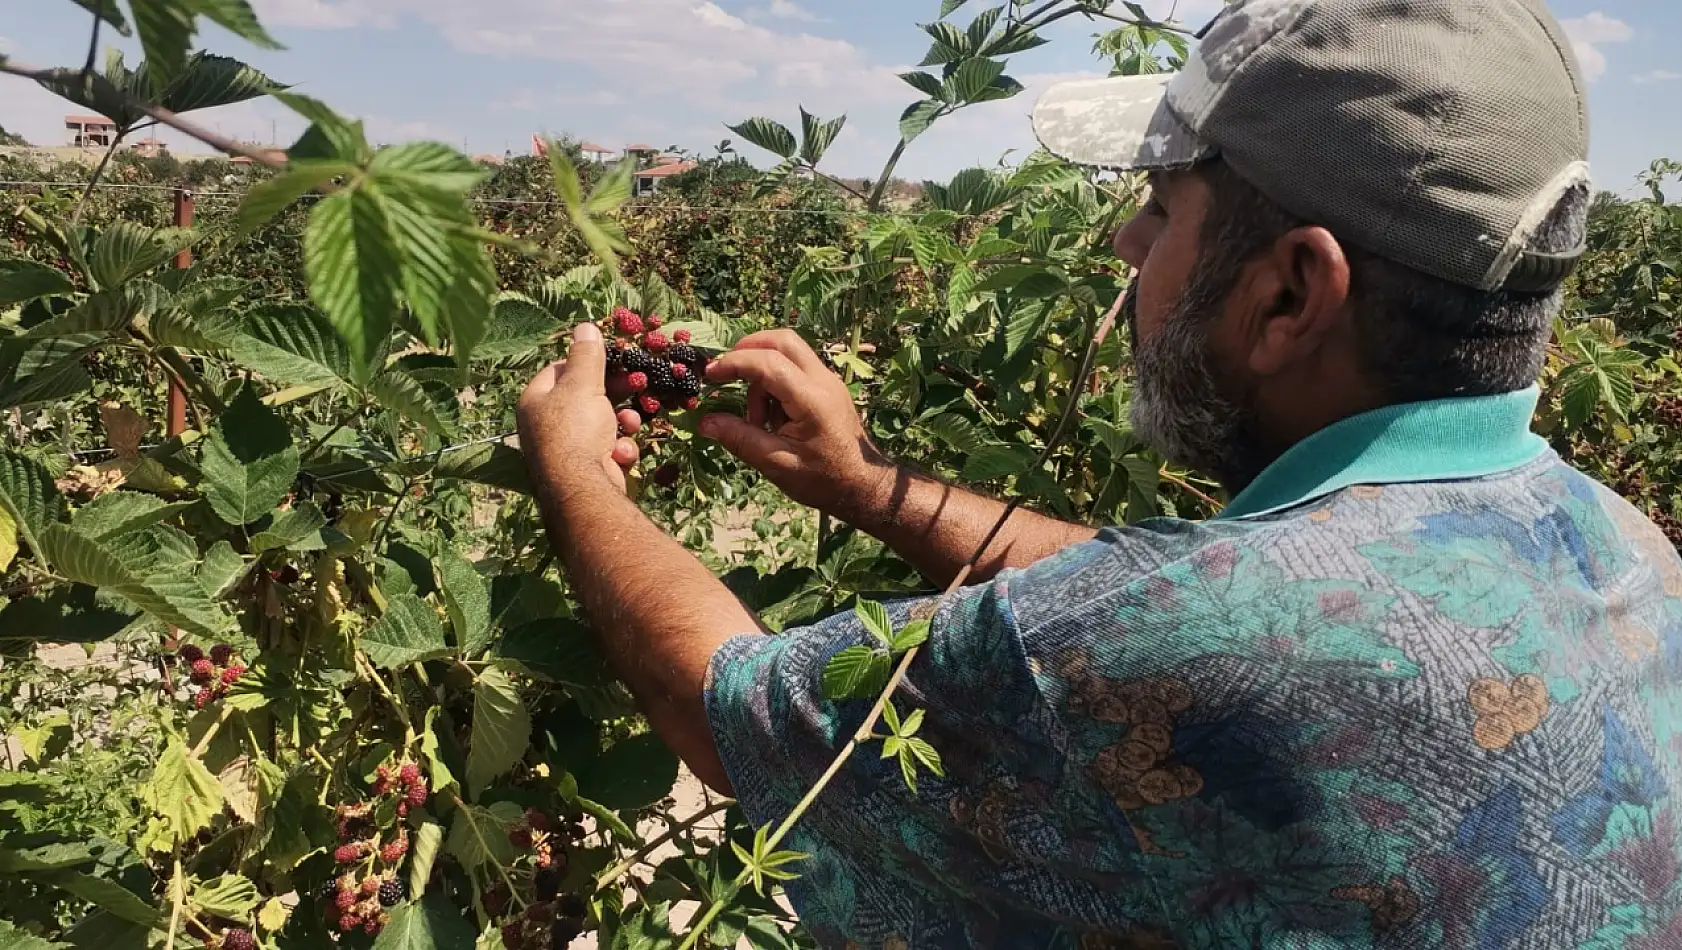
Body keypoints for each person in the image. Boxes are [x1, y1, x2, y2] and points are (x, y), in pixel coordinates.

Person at [517, 0, 1682, 945]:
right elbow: (1181, 593)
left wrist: (577, 473)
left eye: (1162, 207)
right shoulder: (1626, 547)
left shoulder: (1159, 644)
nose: (1126, 243)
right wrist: (863, 482)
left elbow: (720, 709)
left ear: (1289, 294)